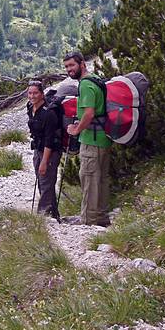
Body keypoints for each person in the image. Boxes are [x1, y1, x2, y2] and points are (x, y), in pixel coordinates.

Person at [64, 52, 111, 226]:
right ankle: (102, 218)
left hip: (91, 140)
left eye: (72, 65)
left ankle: (88, 221)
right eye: (67, 66)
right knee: (102, 180)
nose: (69, 69)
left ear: (82, 64)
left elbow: (89, 113)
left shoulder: (85, 85)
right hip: (104, 137)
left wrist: (76, 129)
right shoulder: (96, 80)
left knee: (89, 179)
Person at [26, 80, 63, 221]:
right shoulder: (31, 108)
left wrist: (44, 161)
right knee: (43, 182)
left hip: (50, 152)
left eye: (35, 93)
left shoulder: (49, 114)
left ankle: (41, 218)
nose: (32, 96)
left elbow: (50, 140)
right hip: (38, 149)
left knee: (46, 183)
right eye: (30, 93)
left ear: (42, 94)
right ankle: (54, 215)